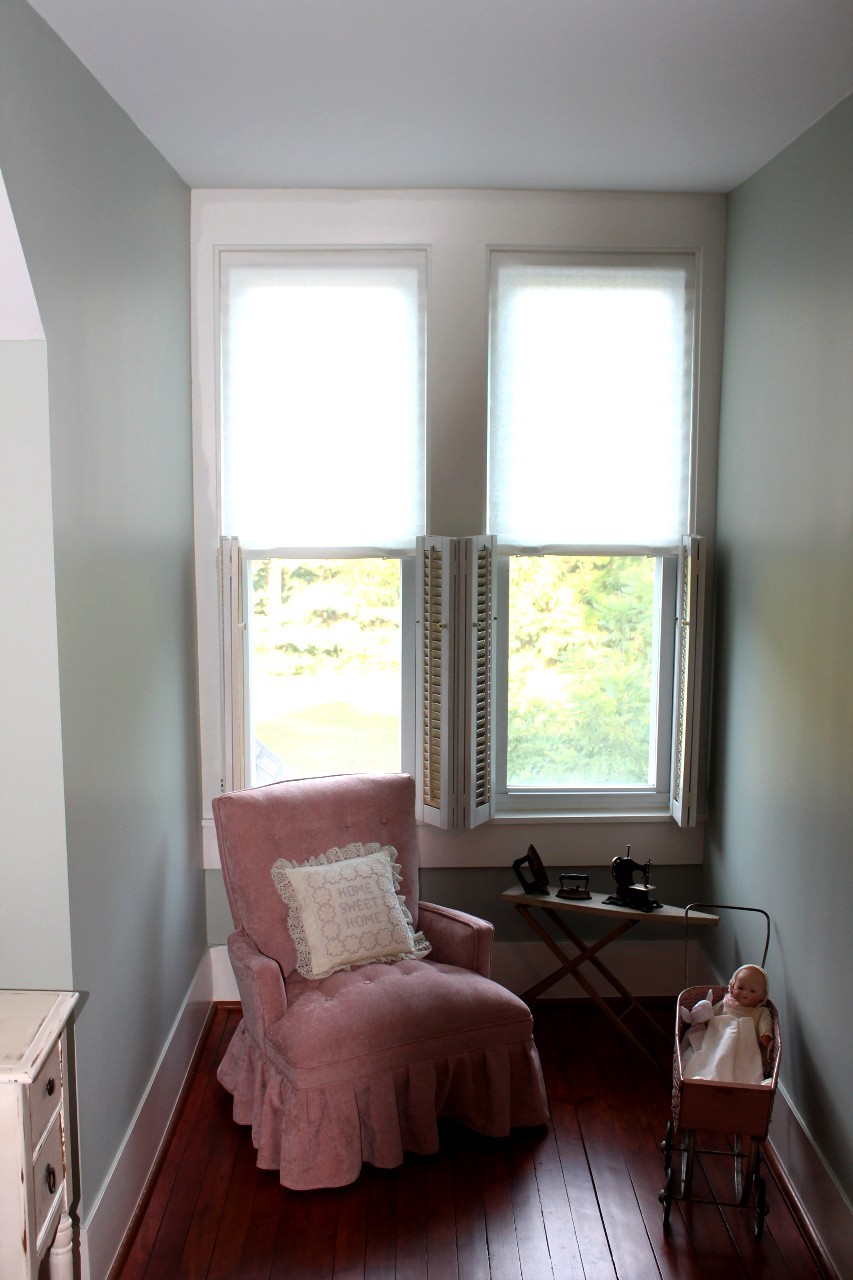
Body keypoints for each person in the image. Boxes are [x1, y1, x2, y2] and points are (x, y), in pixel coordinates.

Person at [680, 963, 774, 1084]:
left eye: (753, 991)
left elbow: (765, 1025)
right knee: (712, 1057)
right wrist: (703, 1021)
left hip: (745, 1048)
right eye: (741, 988)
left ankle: (745, 1084)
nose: (745, 993)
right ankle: (705, 1078)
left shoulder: (760, 1011)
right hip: (718, 1041)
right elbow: (710, 1015)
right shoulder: (726, 1003)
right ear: (732, 986)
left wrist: (766, 1035)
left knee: (745, 1068)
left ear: (763, 995)